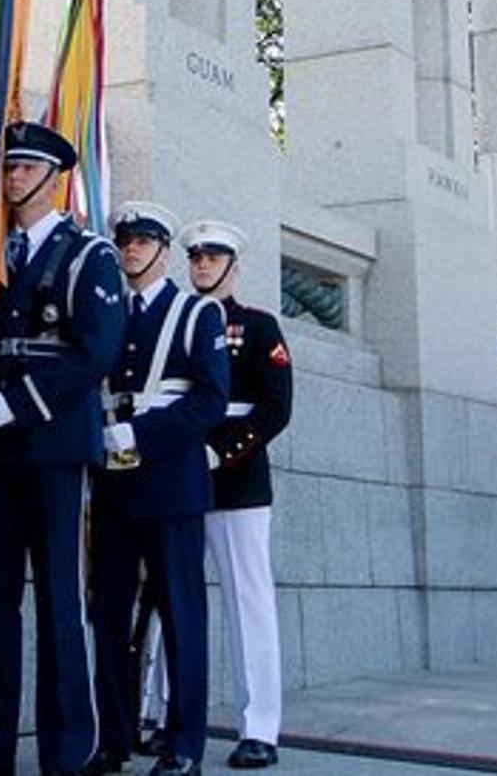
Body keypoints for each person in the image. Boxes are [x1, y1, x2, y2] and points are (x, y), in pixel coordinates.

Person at [0, 122, 126, 776]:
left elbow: (96, 351)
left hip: (53, 444)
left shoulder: (89, 256)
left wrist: (19, 403)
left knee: (60, 599)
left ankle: (68, 750)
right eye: (11, 167)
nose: (15, 177)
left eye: (27, 168)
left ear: (55, 176)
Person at [89, 204, 229, 776]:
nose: (132, 250)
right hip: (114, 484)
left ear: (164, 252)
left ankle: (184, 744)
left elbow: (209, 400)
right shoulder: (107, 312)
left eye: (144, 241)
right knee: (110, 614)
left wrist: (139, 434)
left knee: (180, 616)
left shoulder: (196, 314)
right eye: (125, 240)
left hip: (171, 481)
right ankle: (114, 738)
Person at [182, 220, 293, 770]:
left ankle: (260, 727)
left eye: (214, 256)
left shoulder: (259, 327)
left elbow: (275, 409)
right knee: (168, 600)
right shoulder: (178, 321)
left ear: (233, 265)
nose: (203, 264)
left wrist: (220, 453)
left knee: (249, 602)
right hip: (176, 471)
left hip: (237, 477)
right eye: (197, 256)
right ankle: (163, 716)